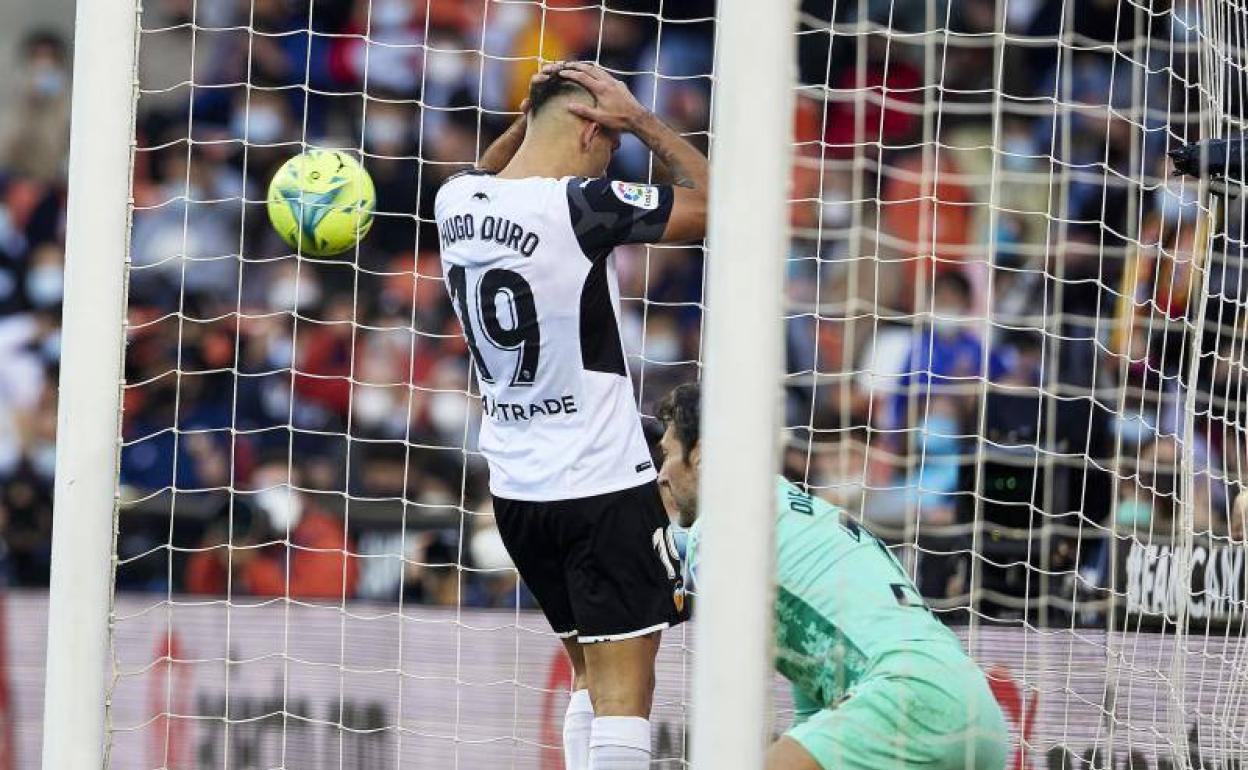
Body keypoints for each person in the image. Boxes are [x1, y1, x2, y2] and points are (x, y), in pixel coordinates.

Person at [433, 61, 708, 770]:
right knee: (625, 695)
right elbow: (718, 205)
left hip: (519, 491)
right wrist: (644, 121)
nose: (614, 148)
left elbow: (491, 170)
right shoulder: (582, 205)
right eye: (610, 137)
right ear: (590, 127)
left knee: (590, 673)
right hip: (601, 481)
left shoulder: (455, 201)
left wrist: (533, 117)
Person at [655, 383, 1009, 770]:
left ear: (702, 456)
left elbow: (733, 680)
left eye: (668, 455)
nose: (661, 475)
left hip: (908, 697)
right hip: (977, 713)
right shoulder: (799, 516)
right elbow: (815, 697)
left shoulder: (725, 524)